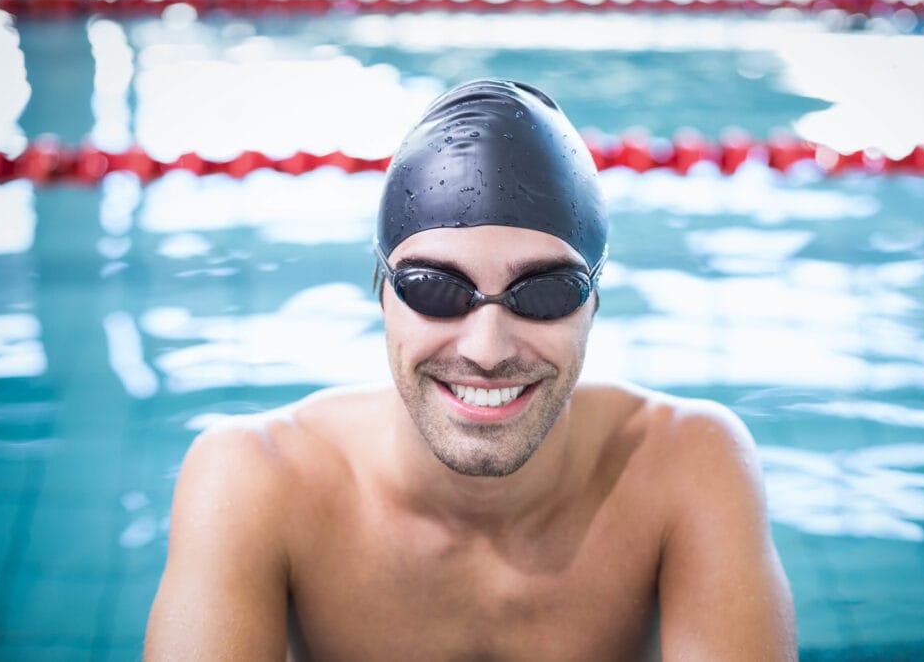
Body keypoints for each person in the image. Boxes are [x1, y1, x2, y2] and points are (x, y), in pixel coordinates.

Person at [145, 79, 796, 661]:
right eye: (435, 287)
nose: (487, 349)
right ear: (381, 292)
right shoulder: (257, 479)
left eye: (545, 291)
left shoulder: (688, 466)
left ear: (594, 303)